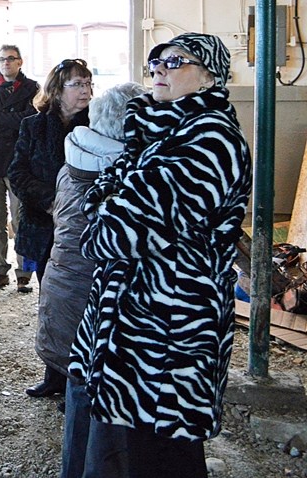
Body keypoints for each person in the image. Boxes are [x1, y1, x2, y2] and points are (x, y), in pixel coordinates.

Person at [68, 33, 252, 477]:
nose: (159, 70)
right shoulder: (161, 134)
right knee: (140, 450)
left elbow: (111, 233)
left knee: (165, 454)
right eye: (154, 63)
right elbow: (103, 207)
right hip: (137, 326)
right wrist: (109, 204)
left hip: (170, 330)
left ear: (210, 76)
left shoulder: (211, 139)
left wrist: (108, 204)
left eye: (174, 61)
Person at [45, 82, 147, 478]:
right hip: (91, 299)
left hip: (63, 290)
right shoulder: (122, 176)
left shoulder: (76, 156)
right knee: (100, 406)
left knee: (80, 396)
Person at [9, 59, 92, 400]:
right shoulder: (33, 127)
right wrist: (51, 201)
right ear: (57, 91)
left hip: (86, 232)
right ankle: (55, 376)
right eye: (77, 84)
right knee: (53, 302)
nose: (86, 89)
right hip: (45, 227)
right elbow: (17, 173)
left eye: (88, 83)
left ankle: (82, 383)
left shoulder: (98, 127)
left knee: (85, 303)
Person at [0, 44, 39, 292]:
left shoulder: (33, 88)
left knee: (20, 219)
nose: (6, 63)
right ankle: (0, 271)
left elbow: (29, 122)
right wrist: (10, 121)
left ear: (20, 61)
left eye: (10, 59)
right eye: (2, 59)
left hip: (19, 163)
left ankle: (24, 273)